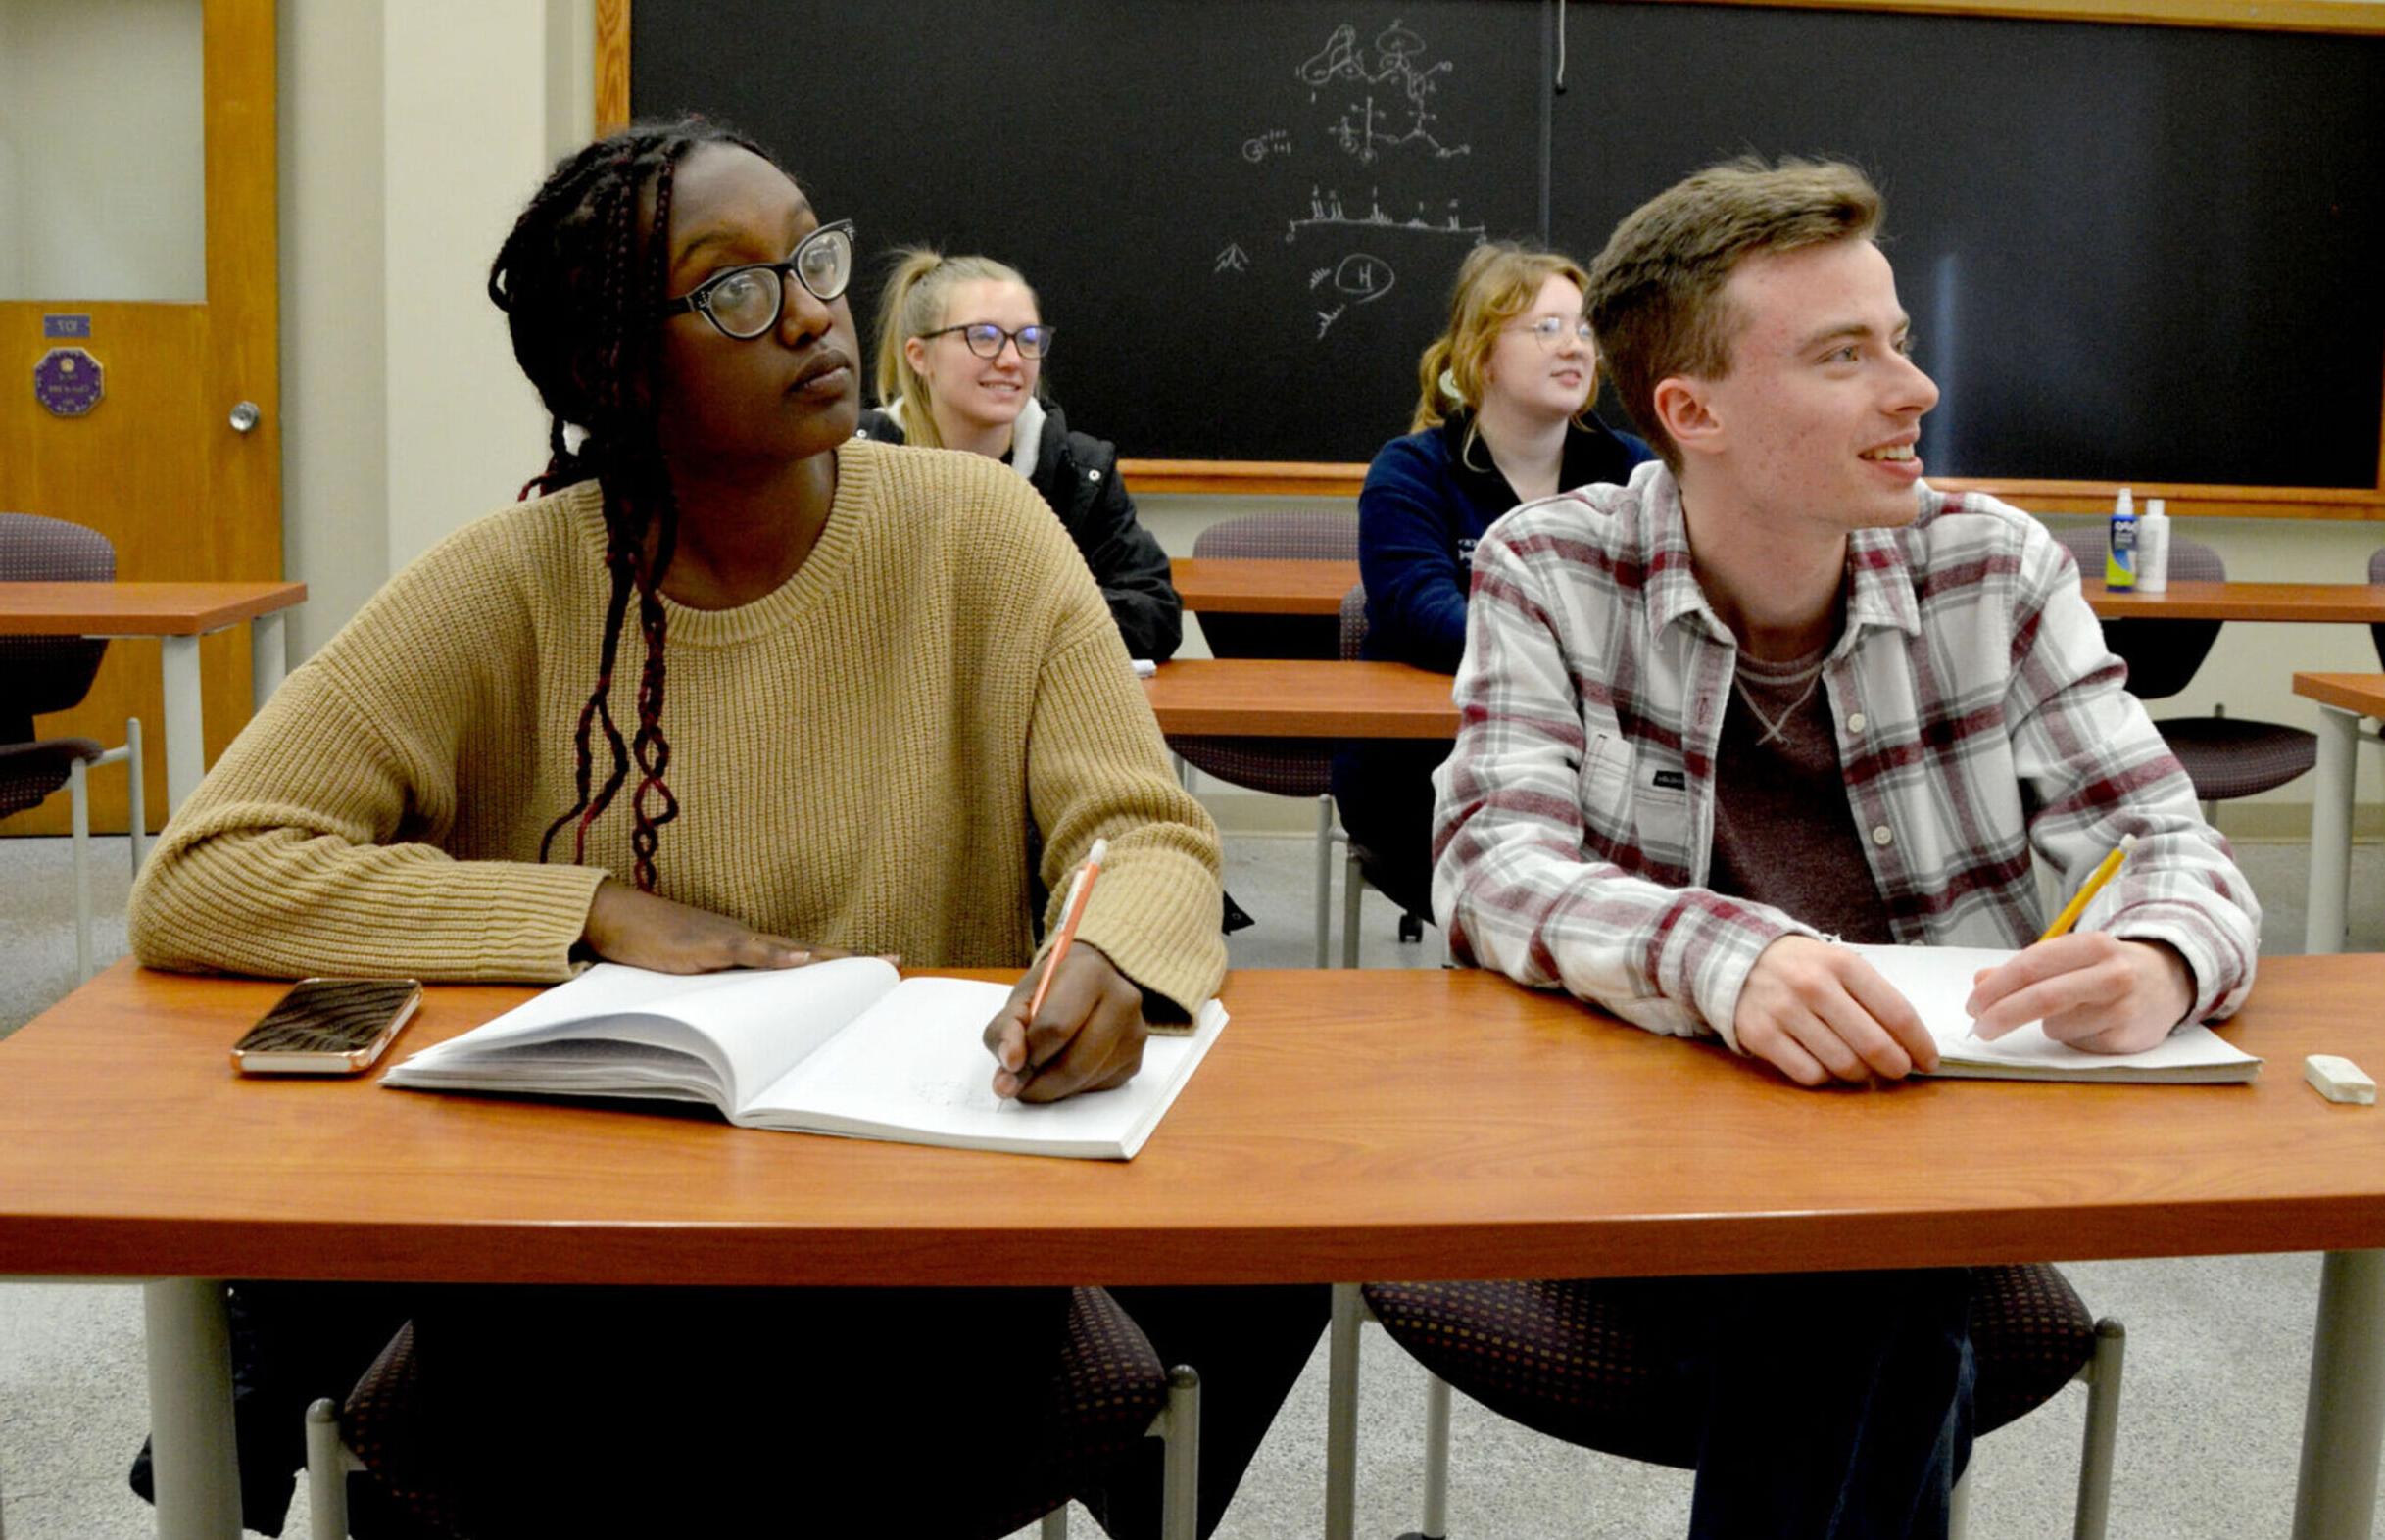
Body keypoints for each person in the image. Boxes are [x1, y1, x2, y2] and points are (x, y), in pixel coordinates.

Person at [124, 120, 1321, 1539]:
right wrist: (583, 914)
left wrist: (1111, 954)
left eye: (810, 257)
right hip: (575, 1275)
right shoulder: (509, 582)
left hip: (918, 1253)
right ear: (611, 369)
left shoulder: (977, 534)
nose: (814, 309)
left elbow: (1144, 830)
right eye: (734, 289)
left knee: (1256, 1262)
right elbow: (206, 872)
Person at [1432, 157, 2260, 1537]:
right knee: (1869, 1307)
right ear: (1688, 412)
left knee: (1856, 1289)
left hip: (1929, 1146)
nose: (1913, 391)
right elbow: (1488, 861)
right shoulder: (1547, 567)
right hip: (1658, 1140)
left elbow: (2166, 841)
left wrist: (2161, 956)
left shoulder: (1990, 566)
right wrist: (1731, 961)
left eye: (1900, 343)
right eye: (1842, 356)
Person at [1330, 242, 1651, 923]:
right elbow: (1420, 611)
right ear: (1481, 355)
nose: (1575, 346)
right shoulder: (1413, 469)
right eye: (1547, 328)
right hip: (1425, 768)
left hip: (1595, 760)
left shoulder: (1632, 469)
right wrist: (1572, 657)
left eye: (1585, 329)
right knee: (1530, 899)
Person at [856, 248, 1181, 662]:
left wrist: (1014, 612)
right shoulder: (853, 466)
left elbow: (1156, 615)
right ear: (920, 356)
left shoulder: (1080, 472)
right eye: (984, 337)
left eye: (1028, 339)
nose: (1011, 361)